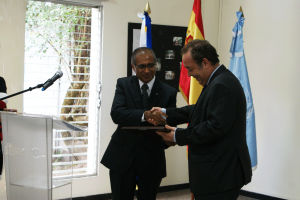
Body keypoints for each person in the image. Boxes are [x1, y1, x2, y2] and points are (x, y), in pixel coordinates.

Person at [152, 39, 252, 200]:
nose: (189, 75)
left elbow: (215, 127)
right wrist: (166, 113)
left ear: (205, 62)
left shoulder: (222, 85)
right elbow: (199, 110)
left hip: (220, 174)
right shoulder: (218, 80)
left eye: (190, 69)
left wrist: (178, 135)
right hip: (216, 173)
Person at [101, 47, 177, 200]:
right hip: (122, 155)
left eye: (151, 65)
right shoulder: (123, 84)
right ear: (133, 67)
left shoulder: (168, 91)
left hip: (151, 156)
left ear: (156, 65)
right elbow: (117, 113)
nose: (147, 70)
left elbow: (169, 123)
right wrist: (144, 115)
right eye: (142, 66)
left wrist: (168, 138)